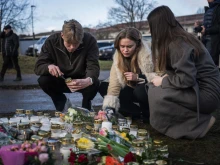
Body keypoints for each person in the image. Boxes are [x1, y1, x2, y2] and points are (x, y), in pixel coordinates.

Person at [147, 6, 220, 139]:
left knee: (156, 93)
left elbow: (187, 79)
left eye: (151, 26)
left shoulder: (177, 44)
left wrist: (163, 81)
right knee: (152, 88)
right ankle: (191, 121)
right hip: (200, 89)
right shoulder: (178, 39)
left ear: (158, 26)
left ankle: (201, 124)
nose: (150, 30)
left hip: (206, 94)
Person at [35, 19, 100, 112]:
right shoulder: (51, 41)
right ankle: (63, 103)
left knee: (94, 81)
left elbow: (93, 66)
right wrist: (48, 66)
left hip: (82, 79)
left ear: (81, 39)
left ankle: (87, 106)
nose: (72, 48)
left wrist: (88, 80)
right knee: (43, 80)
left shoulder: (90, 41)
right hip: (61, 79)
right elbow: (38, 66)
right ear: (62, 35)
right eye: (68, 44)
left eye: (76, 44)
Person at [99, 27, 156, 122]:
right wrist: (109, 108)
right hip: (130, 89)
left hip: (147, 90)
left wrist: (138, 77)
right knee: (103, 86)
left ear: (137, 45)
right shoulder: (118, 58)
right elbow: (114, 83)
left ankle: (148, 114)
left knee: (140, 90)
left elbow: (160, 75)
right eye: (122, 46)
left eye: (129, 46)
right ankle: (135, 112)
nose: (125, 50)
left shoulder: (149, 53)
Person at [194, 0, 220, 66]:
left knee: (210, 65)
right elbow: (209, 25)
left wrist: (206, 30)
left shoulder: (218, 8)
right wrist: (200, 26)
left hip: (214, 43)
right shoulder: (209, 10)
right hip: (205, 41)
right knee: (204, 64)